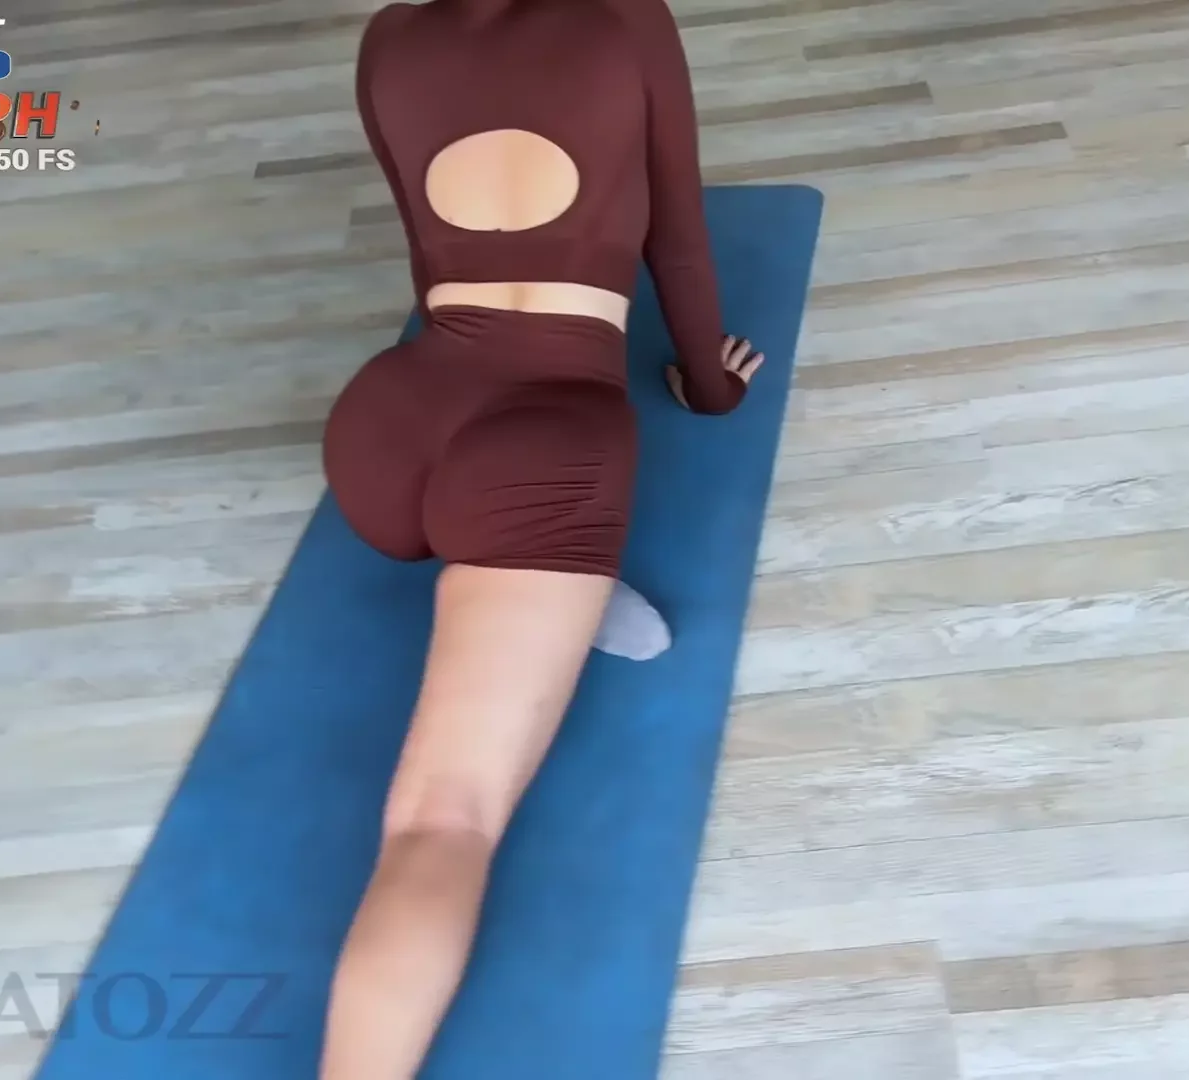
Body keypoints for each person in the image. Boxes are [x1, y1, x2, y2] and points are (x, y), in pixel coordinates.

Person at [316, 0, 766, 1076]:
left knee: (483, 527)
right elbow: (677, 238)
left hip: (382, 441)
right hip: (534, 455)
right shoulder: (625, 18)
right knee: (442, 822)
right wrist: (710, 387)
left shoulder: (389, 35)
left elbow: (429, 254)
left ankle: (537, 594)